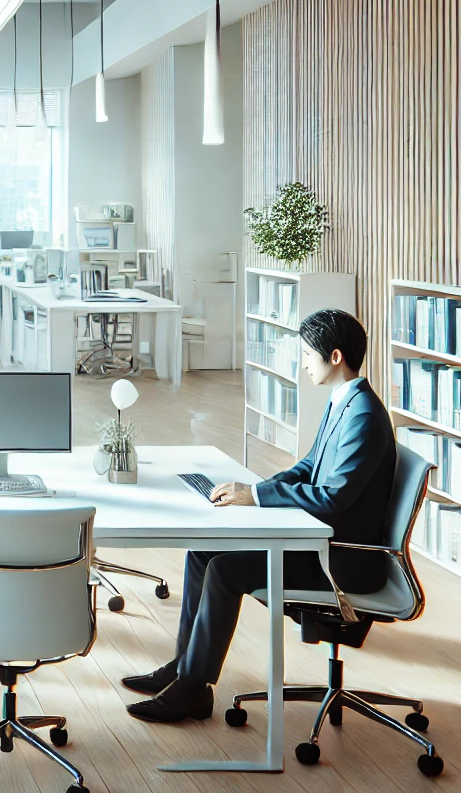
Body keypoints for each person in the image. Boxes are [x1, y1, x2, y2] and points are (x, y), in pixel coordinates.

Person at [123, 309, 396, 723]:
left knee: (225, 571)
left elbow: (331, 498)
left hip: (342, 559)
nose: (303, 362)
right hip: (317, 540)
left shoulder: (361, 415)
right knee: (203, 551)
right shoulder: (346, 400)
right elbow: (309, 466)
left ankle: (194, 689)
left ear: (335, 356)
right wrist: (255, 490)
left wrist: (256, 495)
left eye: (308, 353)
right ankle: (183, 668)